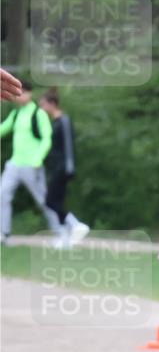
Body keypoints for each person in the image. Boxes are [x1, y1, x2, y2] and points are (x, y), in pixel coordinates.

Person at [0, 80, 57, 243]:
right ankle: (5, 234)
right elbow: (3, 129)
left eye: (23, 92)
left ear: (30, 93)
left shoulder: (38, 114)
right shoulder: (17, 114)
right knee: (2, 196)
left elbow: (47, 139)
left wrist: (37, 159)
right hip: (14, 164)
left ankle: (60, 233)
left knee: (43, 200)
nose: (19, 96)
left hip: (32, 165)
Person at [38, 89, 89, 248]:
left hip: (63, 167)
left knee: (50, 201)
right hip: (55, 166)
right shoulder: (53, 122)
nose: (42, 109)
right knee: (57, 201)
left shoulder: (64, 120)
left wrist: (69, 167)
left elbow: (68, 144)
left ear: (52, 104)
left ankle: (76, 225)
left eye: (43, 105)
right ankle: (65, 238)